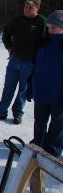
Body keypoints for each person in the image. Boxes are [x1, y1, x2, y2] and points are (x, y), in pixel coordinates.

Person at [0, 0, 46, 124]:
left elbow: (46, 43)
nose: (27, 9)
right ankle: (1, 112)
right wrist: (9, 48)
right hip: (14, 60)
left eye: (30, 7)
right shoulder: (17, 20)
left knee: (23, 90)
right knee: (8, 87)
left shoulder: (42, 22)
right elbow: (6, 34)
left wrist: (39, 59)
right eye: (25, 6)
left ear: (37, 8)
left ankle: (18, 113)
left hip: (30, 63)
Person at [29, 10, 63, 157]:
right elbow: (35, 68)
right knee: (39, 122)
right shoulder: (43, 44)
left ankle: (52, 151)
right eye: (48, 27)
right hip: (42, 92)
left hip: (59, 96)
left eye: (54, 27)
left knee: (57, 126)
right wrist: (31, 87)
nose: (50, 31)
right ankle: (37, 145)